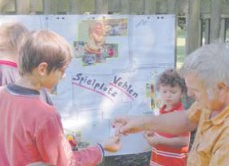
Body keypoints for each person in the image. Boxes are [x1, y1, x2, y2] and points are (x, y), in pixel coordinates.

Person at [0, 30, 121, 166]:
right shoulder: (45, 115)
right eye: (62, 70)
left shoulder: (2, 95)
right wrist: (101, 149)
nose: (63, 76)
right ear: (42, 69)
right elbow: (67, 163)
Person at [113, 43, 229, 166]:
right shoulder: (210, 103)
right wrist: (142, 122)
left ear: (221, 88)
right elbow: (187, 119)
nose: (189, 94)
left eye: (195, 90)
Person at [144, 69, 190, 166]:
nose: (168, 95)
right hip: (158, 161)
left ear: (182, 93)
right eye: (164, 91)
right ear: (159, 91)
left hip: (174, 162)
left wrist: (159, 141)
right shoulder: (162, 111)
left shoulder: (181, 115)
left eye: (173, 92)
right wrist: (151, 133)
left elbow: (184, 141)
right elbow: (161, 133)